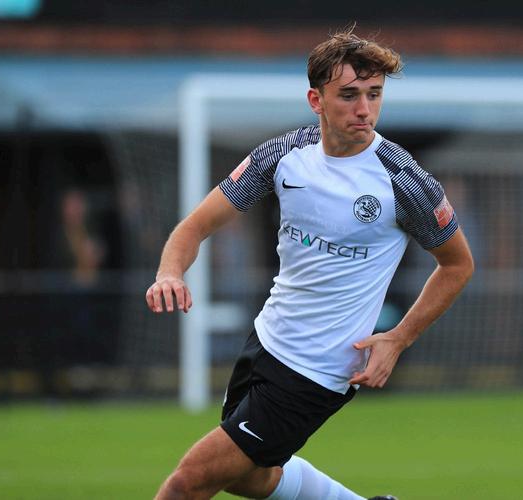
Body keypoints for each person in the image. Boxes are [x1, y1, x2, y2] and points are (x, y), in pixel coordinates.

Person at [146, 27, 474, 500]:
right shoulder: (283, 156)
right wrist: (169, 272)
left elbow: (457, 265)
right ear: (316, 100)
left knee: (188, 482)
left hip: (319, 369)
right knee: (248, 477)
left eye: (374, 94)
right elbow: (195, 226)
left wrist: (398, 338)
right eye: (349, 95)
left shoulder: (402, 180)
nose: (364, 109)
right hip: (266, 341)